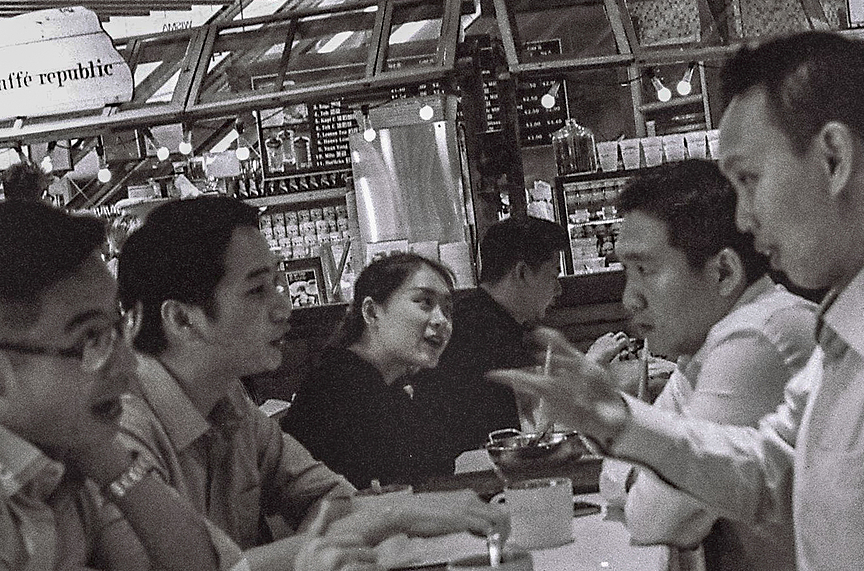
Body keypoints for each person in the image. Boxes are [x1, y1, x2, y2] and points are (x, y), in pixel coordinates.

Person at [489, 30, 864, 570]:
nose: (743, 219)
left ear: (833, 158)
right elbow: (766, 471)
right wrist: (620, 423)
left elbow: (672, 512)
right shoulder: (849, 323)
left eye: (749, 179)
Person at [112, 196, 507, 570]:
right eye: (257, 290)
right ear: (182, 319)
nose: (284, 307)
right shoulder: (118, 429)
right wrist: (386, 518)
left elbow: (329, 497)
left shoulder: (230, 402)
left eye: (277, 283)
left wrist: (329, 543)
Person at [601, 158, 817, 571]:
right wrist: (640, 475)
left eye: (645, 270)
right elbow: (617, 480)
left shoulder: (758, 334)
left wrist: (641, 474)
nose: (630, 299)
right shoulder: (703, 347)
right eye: (626, 271)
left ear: (723, 272)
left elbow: (652, 518)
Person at [0, 200, 236, 571]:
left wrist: (110, 461)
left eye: (119, 327)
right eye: (91, 338)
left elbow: (204, 564)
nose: (128, 364)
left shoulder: (67, 458)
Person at [280, 252, 457, 489]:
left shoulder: (388, 384)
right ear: (371, 312)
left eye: (447, 309)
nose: (441, 320)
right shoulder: (338, 390)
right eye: (425, 302)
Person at [414, 216, 570, 455]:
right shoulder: (487, 336)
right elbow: (530, 433)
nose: (558, 289)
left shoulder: (474, 316)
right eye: (553, 276)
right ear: (522, 273)